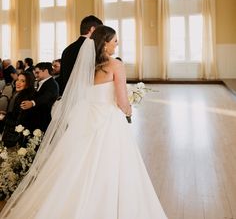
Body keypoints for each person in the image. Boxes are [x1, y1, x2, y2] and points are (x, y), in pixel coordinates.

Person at [1, 26, 167, 219]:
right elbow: (122, 102)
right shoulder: (115, 65)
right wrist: (129, 109)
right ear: (105, 44)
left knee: (77, 163)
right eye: (115, 41)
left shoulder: (88, 66)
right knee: (113, 165)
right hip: (108, 119)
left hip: (86, 117)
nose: (117, 44)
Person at [59, 14, 103, 94]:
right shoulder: (93, 49)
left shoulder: (67, 50)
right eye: (99, 31)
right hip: (85, 95)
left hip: (67, 95)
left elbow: (62, 78)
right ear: (92, 29)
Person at [19, 62, 59, 132]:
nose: (35, 75)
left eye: (37, 73)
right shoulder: (41, 82)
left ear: (46, 71)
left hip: (44, 118)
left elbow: (46, 97)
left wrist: (32, 103)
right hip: (37, 115)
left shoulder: (52, 84)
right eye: (35, 73)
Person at [1, 72, 35, 147]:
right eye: (18, 80)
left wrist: (3, 118)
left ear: (28, 84)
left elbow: (19, 123)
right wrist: (5, 114)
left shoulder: (25, 99)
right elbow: (13, 113)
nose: (18, 83)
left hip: (15, 136)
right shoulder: (17, 93)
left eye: (23, 81)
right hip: (9, 130)